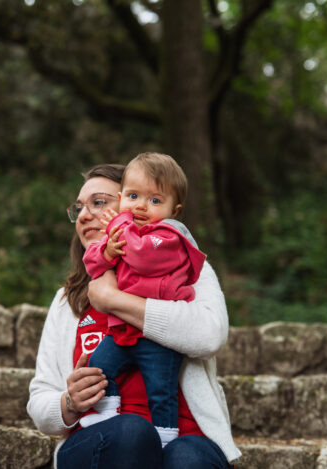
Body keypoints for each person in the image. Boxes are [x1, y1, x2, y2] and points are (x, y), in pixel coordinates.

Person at [27, 163, 240, 468]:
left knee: (188, 457)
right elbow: (39, 401)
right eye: (79, 208)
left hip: (186, 437)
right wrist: (69, 402)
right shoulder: (67, 301)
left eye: (99, 202)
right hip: (99, 440)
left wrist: (113, 299)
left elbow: (209, 335)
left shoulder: (189, 269)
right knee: (132, 431)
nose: (85, 215)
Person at [79, 153, 207, 448]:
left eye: (154, 201)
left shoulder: (169, 235)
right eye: (133, 196)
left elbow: (143, 257)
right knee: (99, 363)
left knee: (160, 388)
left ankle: (165, 434)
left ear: (174, 210)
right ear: (123, 196)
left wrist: (120, 225)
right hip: (123, 332)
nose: (140, 206)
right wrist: (108, 252)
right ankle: (107, 411)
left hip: (158, 339)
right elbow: (94, 264)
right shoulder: (125, 233)